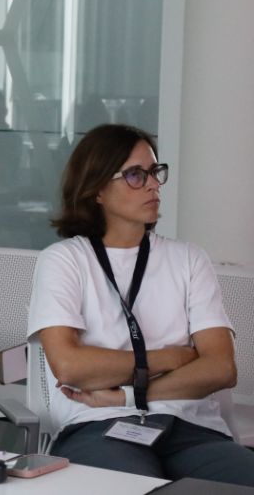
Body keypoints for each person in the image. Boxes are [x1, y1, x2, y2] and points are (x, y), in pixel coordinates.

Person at [28, 123, 254, 486]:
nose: (153, 185)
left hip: (190, 426)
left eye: (154, 171)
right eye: (135, 175)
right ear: (97, 189)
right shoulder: (64, 260)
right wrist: (171, 358)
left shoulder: (189, 258)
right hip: (98, 425)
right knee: (136, 486)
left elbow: (221, 368)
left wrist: (127, 394)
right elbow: (70, 366)